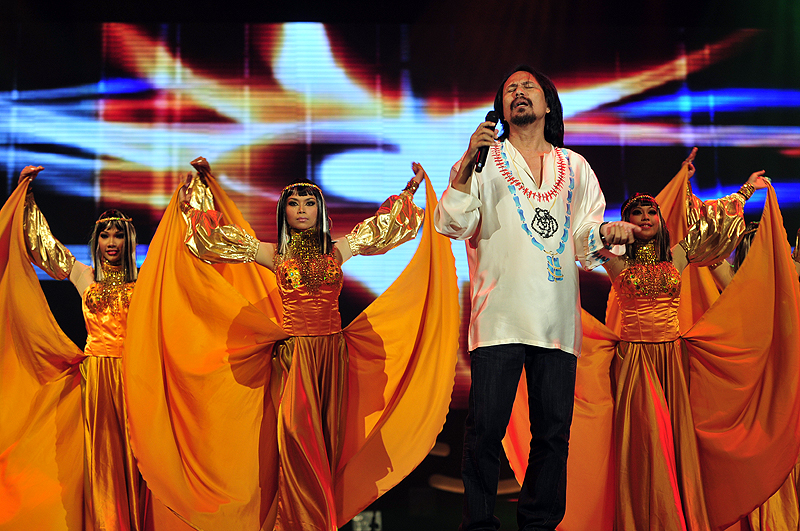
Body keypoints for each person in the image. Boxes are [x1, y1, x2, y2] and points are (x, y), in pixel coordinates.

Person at [121, 157, 460, 531]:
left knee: (326, 448)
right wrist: (195, 200)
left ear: (320, 209)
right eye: (294, 204)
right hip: (294, 359)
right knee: (298, 440)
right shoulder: (274, 254)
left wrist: (410, 191)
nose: (302, 210)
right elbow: (216, 240)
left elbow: (382, 229)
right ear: (285, 211)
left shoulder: (337, 250)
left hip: (333, 359)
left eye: (309, 202)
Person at [433, 65, 635, 531]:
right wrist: (465, 166)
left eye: (528, 88)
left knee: (552, 436)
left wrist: (606, 231)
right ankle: (479, 524)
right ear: (501, 109)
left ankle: (539, 525)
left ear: (547, 104)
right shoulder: (484, 162)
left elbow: (585, 239)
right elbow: (452, 224)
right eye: (510, 90)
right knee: (484, 432)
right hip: (499, 317)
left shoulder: (576, 166)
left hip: (557, 321)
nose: (519, 94)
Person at [0, 165, 148, 530]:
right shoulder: (84, 276)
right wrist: (27, 196)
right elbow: (44, 248)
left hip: (132, 374)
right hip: (97, 374)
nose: (111, 243)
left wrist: (197, 200)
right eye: (105, 236)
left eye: (118, 236)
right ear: (96, 241)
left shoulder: (145, 281)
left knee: (136, 453)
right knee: (102, 455)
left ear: (128, 242)